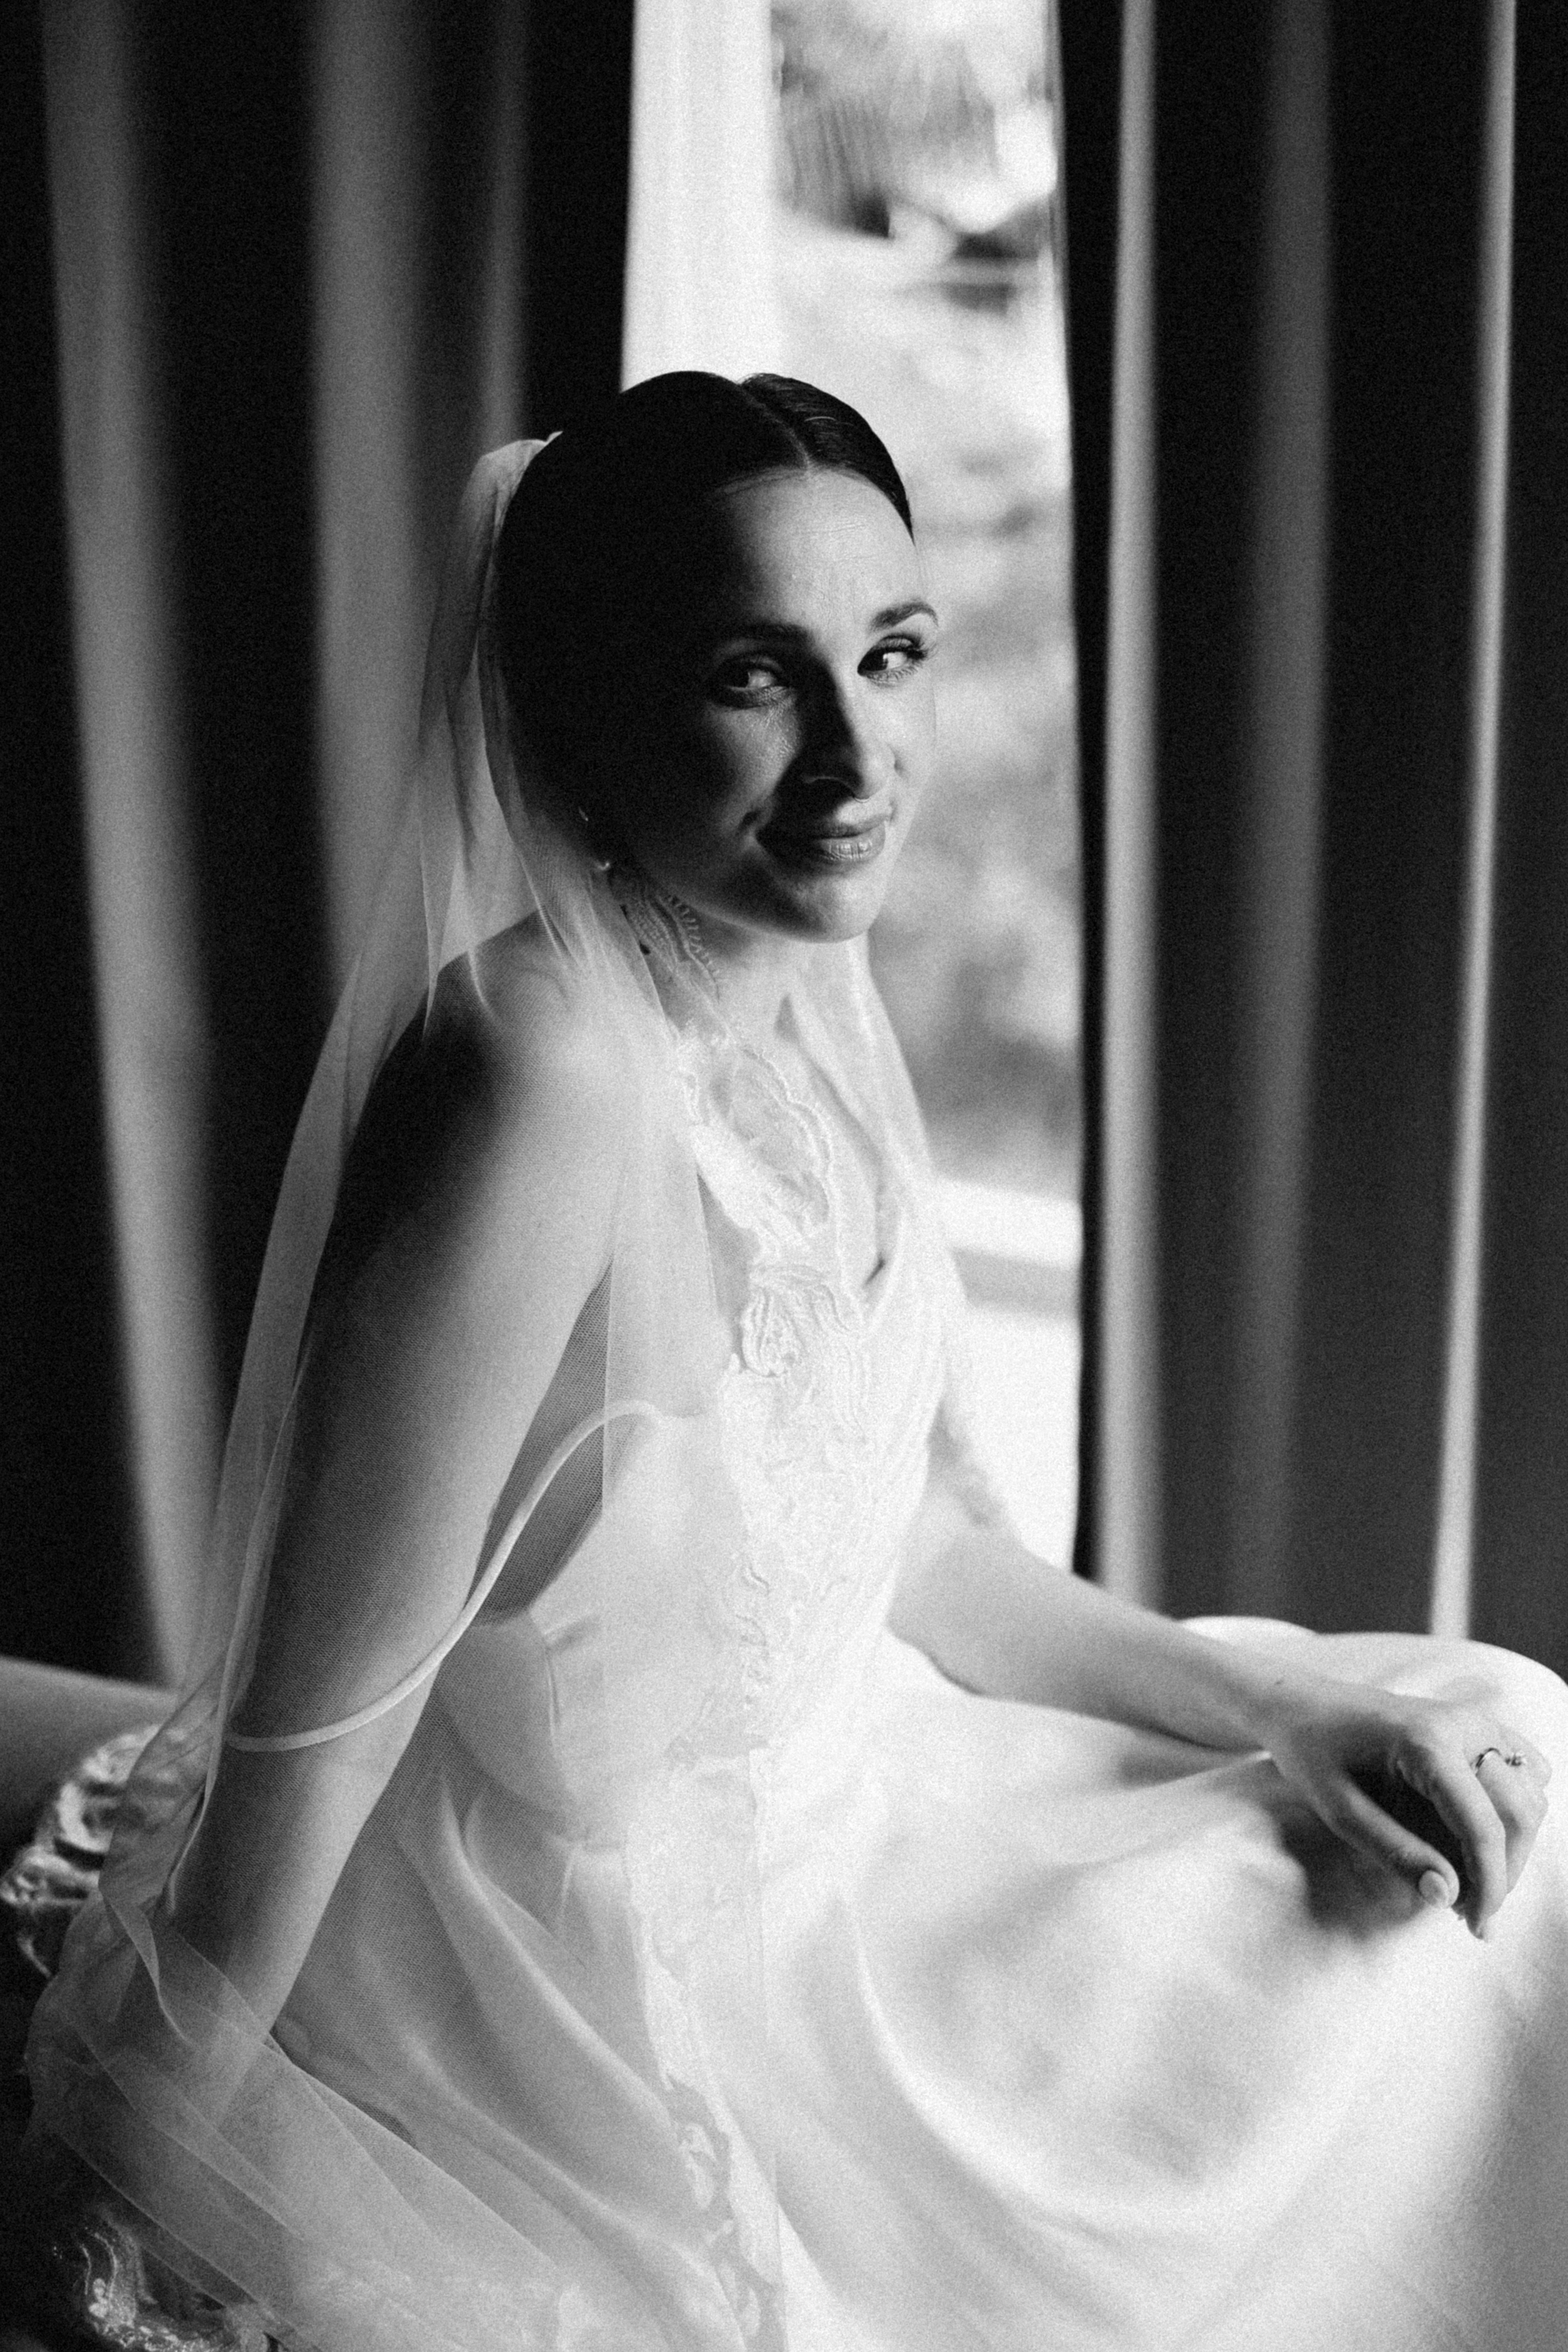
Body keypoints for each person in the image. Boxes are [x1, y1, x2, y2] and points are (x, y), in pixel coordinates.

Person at [22, 373, 1568, 2352]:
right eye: (760, 675)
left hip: (893, 1800)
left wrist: (1273, 1702)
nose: (859, 755)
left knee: (1477, 1763)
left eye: (894, 654)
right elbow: (317, 1724)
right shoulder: (538, 1072)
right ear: (575, 714)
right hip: (638, 1975)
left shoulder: (794, 988)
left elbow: (909, 1547)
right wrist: (136, 2164)